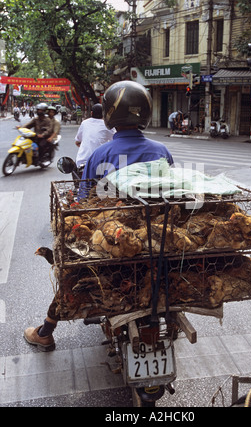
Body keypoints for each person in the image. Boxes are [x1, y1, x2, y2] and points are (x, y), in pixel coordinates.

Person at [23, 81, 174, 351]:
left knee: (72, 272)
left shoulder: (99, 155)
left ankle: (46, 331)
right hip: (157, 239)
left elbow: (84, 203)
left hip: (111, 241)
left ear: (110, 115)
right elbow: (171, 193)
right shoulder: (161, 152)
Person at [74, 103, 115, 169]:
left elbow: (77, 141)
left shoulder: (85, 123)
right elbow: (115, 140)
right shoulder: (108, 125)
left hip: (82, 161)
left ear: (91, 113)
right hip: (101, 162)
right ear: (104, 114)